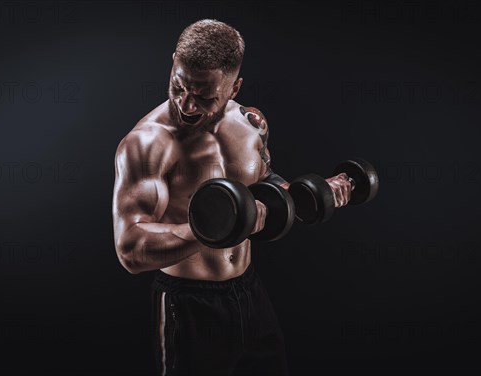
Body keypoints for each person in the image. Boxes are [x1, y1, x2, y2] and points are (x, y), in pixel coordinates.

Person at [112, 19, 351, 376]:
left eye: (205, 96)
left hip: (249, 291)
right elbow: (130, 249)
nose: (187, 105)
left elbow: (265, 185)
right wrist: (217, 229)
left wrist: (314, 193)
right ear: (174, 61)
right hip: (187, 303)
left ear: (234, 87)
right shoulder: (147, 145)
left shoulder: (251, 124)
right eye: (178, 87)